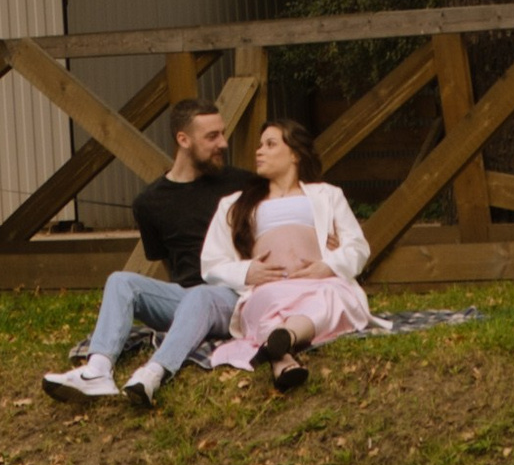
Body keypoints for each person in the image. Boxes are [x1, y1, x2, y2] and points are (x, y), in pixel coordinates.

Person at [44, 95, 241, 410]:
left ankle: (154, 372)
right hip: (185, 296)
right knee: (122, 281)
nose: (223, 143)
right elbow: (167, 262)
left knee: (202, 296)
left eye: (222, 133)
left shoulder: (240, 184)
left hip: (232, 296)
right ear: (183, 139)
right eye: (212, 136)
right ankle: (98, 370)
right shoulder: (149, 202)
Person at [201, 118, 370, 390]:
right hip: (268, 288)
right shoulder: (234, 204)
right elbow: (211, 263)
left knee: (332, 295)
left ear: (294, 154)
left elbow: (358, 247)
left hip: (318, 283)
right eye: (259, 145)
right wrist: (247, 272)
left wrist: (328, 266)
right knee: (268, 306)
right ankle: (283, 348)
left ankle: (283, 348)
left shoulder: (327, 195)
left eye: (270, 144)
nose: (259, 151)